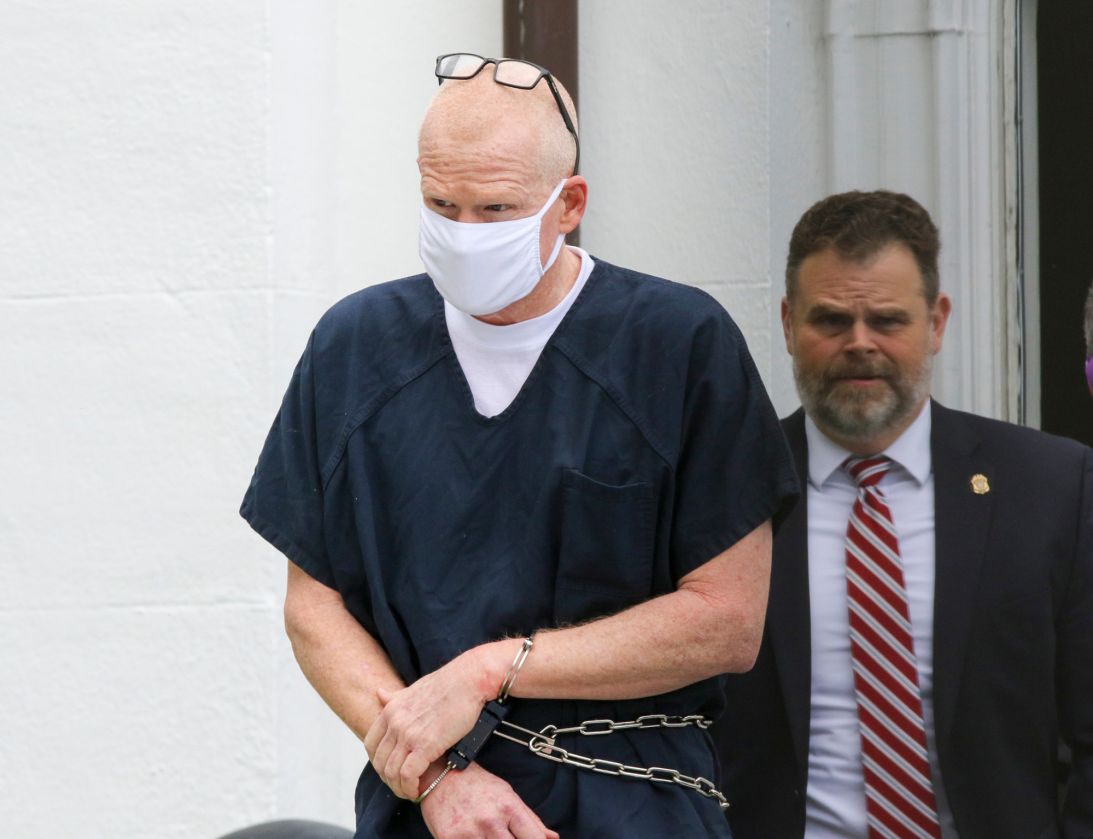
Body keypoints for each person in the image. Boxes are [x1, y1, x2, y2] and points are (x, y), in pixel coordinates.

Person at [241, 53, 797, 839]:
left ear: (568, 203)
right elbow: (313, 606)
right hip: (426, 807)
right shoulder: (356, 347)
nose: (463, 234)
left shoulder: (675, 345)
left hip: (636, 800)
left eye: (495, 209)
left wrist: (491, 667)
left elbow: (727, 620)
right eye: (441, 204)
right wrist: (435, 776)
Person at [712, 190, 1093, 838]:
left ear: (936, 322)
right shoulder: (723, 490)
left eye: (887, 320)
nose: (859, 344)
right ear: (787, 323)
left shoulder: (1053, 486)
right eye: (831, 320)